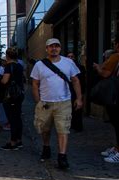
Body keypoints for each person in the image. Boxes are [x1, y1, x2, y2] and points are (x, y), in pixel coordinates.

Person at [30, 38, 83, 169]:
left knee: (63, 130)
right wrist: (38, 101)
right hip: (45, 102)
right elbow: (35, 83)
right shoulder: (39, 65)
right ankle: (46, 147)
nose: (54, 48)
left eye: (57, 46)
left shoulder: (68, 63)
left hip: (63, 102)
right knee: (44, 129)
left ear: (60, 48)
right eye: (51, 46)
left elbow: (75, 80)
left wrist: (79, 98)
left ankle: (62, 157)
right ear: (46, 49)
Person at [92, 35, 119, 163]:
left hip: (115, 95)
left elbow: (105, 74)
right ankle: (117, 148)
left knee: (117, 123)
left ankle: (118, 152)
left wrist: (98, 67)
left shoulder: (115, 56)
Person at [0, 48, 25, 151]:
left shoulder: (8, 66)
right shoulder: (19, 66)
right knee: (17, 117)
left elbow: (5, 81)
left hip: (11, 96)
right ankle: (18, 140)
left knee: (12, 119)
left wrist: (0, 80)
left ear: (7, 56)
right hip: (19, 94)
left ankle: (13, 142)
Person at [66, 52, 86, 132]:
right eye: (68, 56)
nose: (70, 58)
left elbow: (82, 80)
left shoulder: (80, 67)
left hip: (77, 90)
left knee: (77, 108)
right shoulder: (64, 67)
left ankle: (78, 126)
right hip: (68, 91)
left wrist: (81, 93)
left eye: (72, 56)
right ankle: (72, 125)